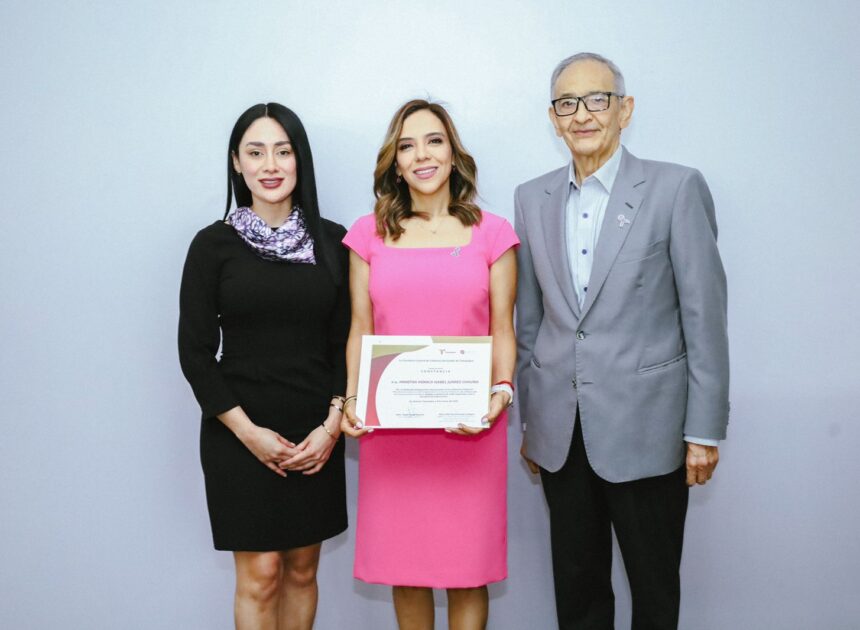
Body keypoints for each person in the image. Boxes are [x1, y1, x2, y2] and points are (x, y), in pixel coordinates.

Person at [513, 53, 729, 629]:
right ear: (554, 119)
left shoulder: (676, 188)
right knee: (578, 594)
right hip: (563, 434)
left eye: (596, 100)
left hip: (649, 430)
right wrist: (532, 424)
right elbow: (530, 323)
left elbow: (703, 316)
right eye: (567, 103)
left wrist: (703, 430)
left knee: (654, 592)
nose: (581, 114)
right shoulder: (531, 199)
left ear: (624, 109)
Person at [340, 99, 518, 630]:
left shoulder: (494, 232)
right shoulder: (366, 234)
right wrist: (352, 399)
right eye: (407, 144)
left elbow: (503, 330)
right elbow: (360, 329)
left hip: (471, 428)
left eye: (434, 140)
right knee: (407, 570)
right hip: (392, 433)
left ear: (452, 151)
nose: (422, 154)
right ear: (394, 162)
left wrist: (501, 393)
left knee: (469, 572)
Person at [178, 102, 349, 630]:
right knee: (260, 577)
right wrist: (249, 434)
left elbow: (346, 341)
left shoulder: (335, 242)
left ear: (300, 160)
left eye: (283, 150)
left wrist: (332, 426)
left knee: (301, 572)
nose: (270, 164)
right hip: (238, 432)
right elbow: (195, 352)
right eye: (255, 152)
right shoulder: (213, 246)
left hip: (315, 432)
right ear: (237, 162)